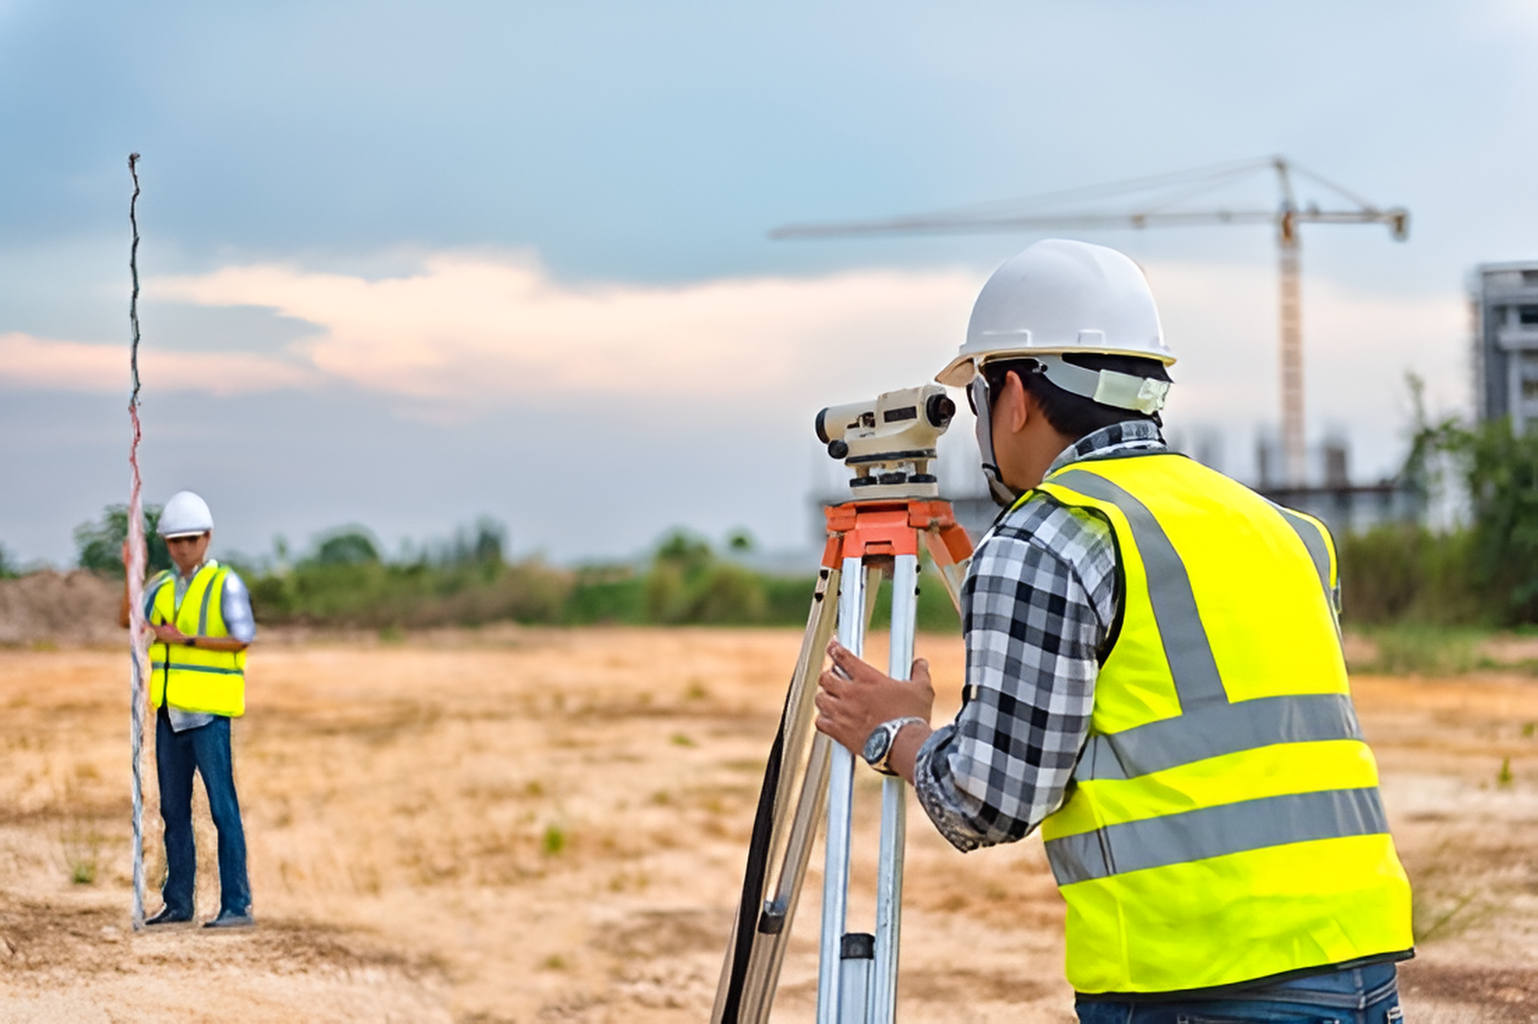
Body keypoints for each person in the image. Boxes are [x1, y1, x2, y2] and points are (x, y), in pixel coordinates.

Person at [814, 239, 1413, 1022]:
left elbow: (989, 801)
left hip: (1198, 986)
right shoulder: (1283, 530)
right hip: (1359, 965)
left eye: (981, 397)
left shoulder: (1046, 539)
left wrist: (896, 733)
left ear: (1017, 395)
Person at [120, 490, 256, 929]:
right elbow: (129, 620)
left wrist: (188, 641)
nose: (183, 548)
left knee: (222, 809)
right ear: (166, 544)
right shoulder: (159, 584)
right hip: (170, 715)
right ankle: (178, 901)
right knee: (173, 811)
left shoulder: (225, 584)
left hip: (209, 716)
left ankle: (236, 904)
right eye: (175, 541)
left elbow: (243, 636)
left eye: (191, 539)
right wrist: (130, 571)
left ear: (207, 538)